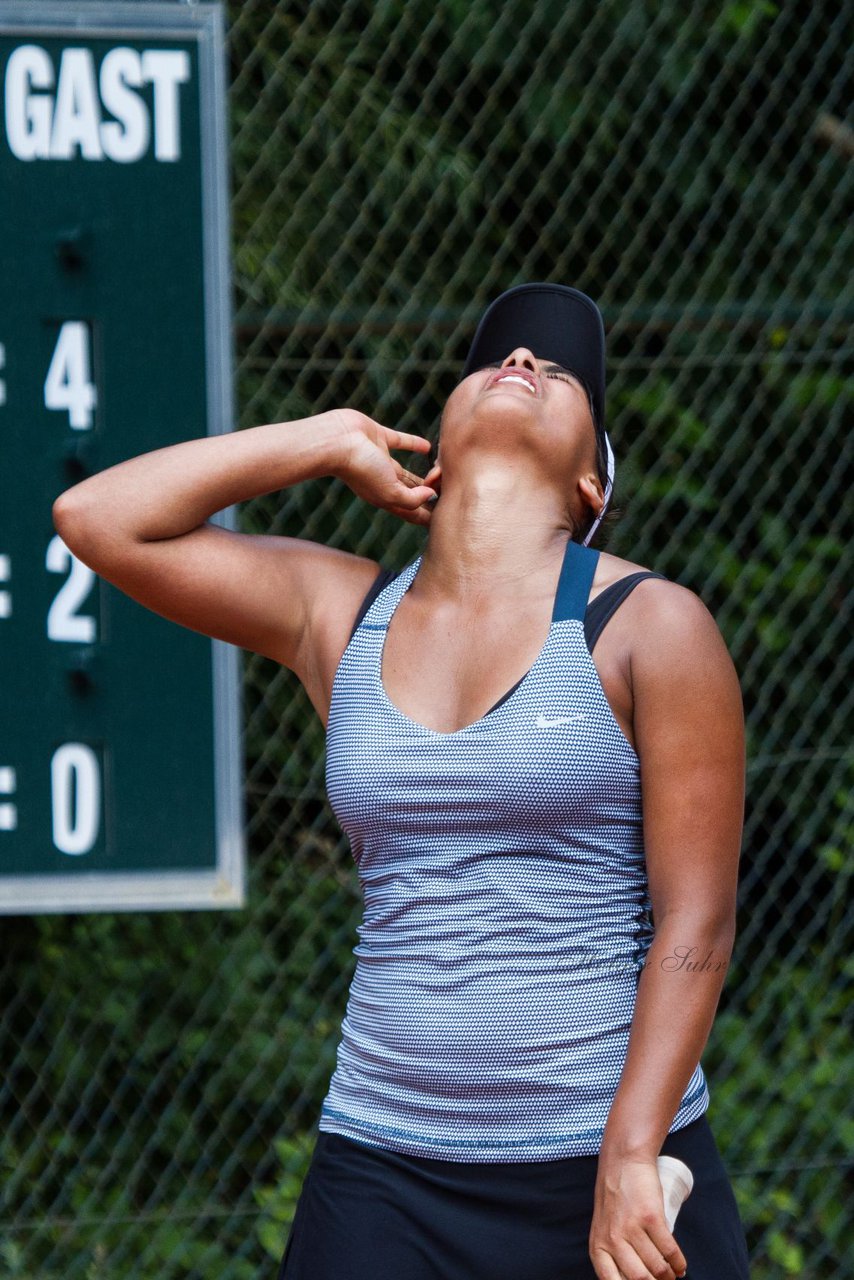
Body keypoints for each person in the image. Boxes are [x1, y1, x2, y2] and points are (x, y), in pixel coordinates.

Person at [52, 283, 751, 1280]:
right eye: (498, 361)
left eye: (554, 374)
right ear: (434, 439)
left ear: (592, 488)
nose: (521, 365)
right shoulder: (338, 612)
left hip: (605, 1168)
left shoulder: (649, 624)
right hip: (382, 1168)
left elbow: (697, 923)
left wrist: (633, 1147)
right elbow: (95, 517)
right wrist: (321, 435)